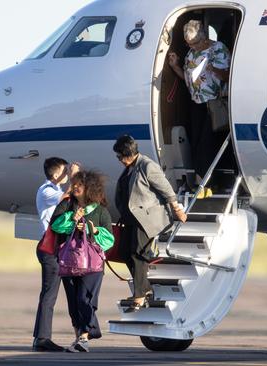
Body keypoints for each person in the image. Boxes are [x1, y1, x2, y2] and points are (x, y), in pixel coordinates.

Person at [113, 135, 187, 312]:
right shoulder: (130, 167)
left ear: (128, 154)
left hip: (146, 218)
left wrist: (176, 209)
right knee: (124, 252)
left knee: (138, 253)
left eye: (120, 156)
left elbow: (167, 190)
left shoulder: (147, 165)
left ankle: (139, 295)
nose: (119, 160)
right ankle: (144, 288)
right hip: (130, 218)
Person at [50, 170, 114, 352]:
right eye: (74, 184)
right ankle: (79, 336)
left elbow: (109, 241)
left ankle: (85, 336)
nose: (75, 187)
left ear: (89, 188)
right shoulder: (67, 205)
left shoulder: (101, 211)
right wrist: (72, 219)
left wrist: (93, 231)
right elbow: (55, 225)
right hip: (69, 261)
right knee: (73, 302)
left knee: (85, 299)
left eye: (80, 184)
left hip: (92, 265)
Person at [167, 19, 231, 197]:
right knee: (197, 143)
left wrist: (212, 68)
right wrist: (175, 67)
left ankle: (208, 183)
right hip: (197, 103)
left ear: (203, 39)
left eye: (194, 43)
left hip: (214, 103)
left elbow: (229, 75)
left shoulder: (218, 49)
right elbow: (188, 79)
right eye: (188, 43)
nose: (191, 46)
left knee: (208, 143)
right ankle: (202, 183)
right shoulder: (191, 53)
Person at [32, 157, 80, 352]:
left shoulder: (54, 189)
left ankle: (78, 334)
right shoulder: (47, 191)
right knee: (49, 294)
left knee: (69, 292)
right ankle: (42, 338)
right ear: (55, 173)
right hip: (50, 247)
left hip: (60, 248)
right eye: (64, 170)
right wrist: (74, 176)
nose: (66, 172)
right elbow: (65, 196)